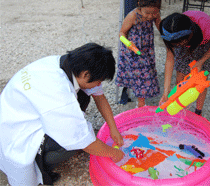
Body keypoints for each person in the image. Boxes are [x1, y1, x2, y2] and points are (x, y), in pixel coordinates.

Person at [0, 43, 125, 185]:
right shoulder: (60, 95)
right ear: (85, 74)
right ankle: (42, 164)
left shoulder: (65, 63)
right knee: (72, 143)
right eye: (98, 81)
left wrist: (113, 128)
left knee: (84, 96)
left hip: (17, 111)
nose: (98, 85)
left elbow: (100, 97)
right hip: (16, 134)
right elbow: (84, 141)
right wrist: (114, 153)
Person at [159, 11, 210, 116]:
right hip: (185, 46)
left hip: (205, 47)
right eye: (174, 44)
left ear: (189, 35)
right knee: (180, 80)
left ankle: (198, 112)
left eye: (178, 43)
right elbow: (170, 60)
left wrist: (201, 61)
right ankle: (178, 109)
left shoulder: (204, 24)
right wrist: (166, 91)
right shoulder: (172, 34)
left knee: (201, 82)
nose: (175, 46)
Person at [115, 0, 162, 107]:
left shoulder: (154, 14)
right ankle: (141, 105)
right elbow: (121, 33)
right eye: (147, 13)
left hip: (147, 50)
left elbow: (161, 28)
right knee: (140, 76)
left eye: (154, 13)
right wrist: (129, 44)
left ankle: (141, 102)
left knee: (146, 74)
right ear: (139, 5)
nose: (150, 16)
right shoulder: (133, 15)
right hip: (133, 51)